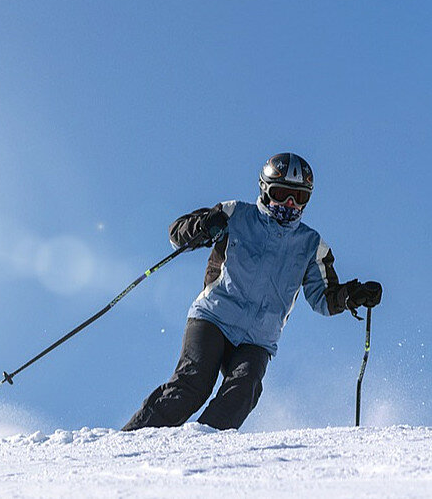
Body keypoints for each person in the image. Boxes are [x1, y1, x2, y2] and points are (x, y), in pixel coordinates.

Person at [122, 152, 382, 431]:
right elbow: (178, 234)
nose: (289, 204)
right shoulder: (236, 214)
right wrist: (205, 225)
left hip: (257, 338)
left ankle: (201, 447)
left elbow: (324, 298)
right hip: (213, 318)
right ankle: (133, 439)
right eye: (281, 194)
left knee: (244, 390)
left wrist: (352, 295)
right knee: (193, 384)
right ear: (265, 190)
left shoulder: (311, 245)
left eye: (299, 197)